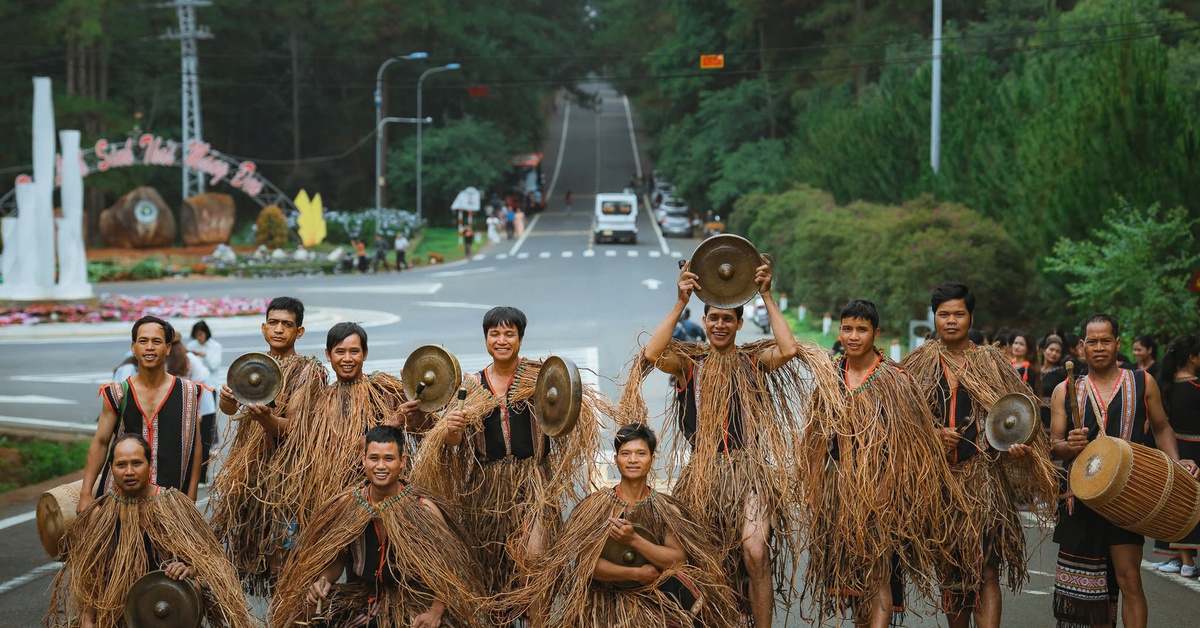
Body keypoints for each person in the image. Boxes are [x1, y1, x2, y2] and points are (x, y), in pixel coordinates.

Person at [624, 257, 842, 626]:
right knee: (708, 560)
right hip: (703, 475)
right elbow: (652, 354)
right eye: (713, 318)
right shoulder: (690, 365)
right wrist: (680, 302)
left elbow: (788, 350)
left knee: (755, 551)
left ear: (740, 324)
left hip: (749, 472)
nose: (720, 325)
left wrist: (767, 295)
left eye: (728, 319)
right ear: (705, 321)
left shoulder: (754, 361)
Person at [408, 306, 601, 614]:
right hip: (487, 487)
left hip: (534, 482)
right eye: (494, 334)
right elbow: (454, 442)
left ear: (520, 339)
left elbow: (566, 416)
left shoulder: (540, 377)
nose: (501, 340)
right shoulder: (469, 386)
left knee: (535, 559)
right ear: (485, 339)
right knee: (493, 570)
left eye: (509, 334)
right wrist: (452, 431)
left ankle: (537, 619)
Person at [899, 282, 1058, 628]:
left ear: (971, 316)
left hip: (984, 483)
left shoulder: (994, 364)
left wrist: (1020, 448)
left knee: (986, 569)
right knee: (951, 573)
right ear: (935, 317)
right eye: (944, 314)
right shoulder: (914, 366)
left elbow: (1022, 419)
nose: (951, 321)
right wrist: (930, 436)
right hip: (939, 486)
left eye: (959, 314)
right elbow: (899, 426)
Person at [802, 300, 968, 628]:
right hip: (838, 490)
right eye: (847, 328)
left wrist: (895, 492)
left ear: (875, 333)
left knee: (878, 576)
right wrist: (814, 487)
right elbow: (815, 440)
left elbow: (912, 441)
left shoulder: (895, 378)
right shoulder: (830, 376)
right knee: (852, 585)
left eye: (861, 329)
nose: (853, 336)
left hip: (881, 491)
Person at [507, 423, 739, 627]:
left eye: (641, 453)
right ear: (615, 459)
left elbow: (677, 560)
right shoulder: (597, 506)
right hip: (605, 603)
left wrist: (633, 540)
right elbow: (587, 564)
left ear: (652, 459)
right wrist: (635, 573)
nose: (633, 460)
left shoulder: (666, 510)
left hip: (654, 601)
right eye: (625, 453)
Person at [1049, 316, 1199, 628]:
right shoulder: (1066, 389)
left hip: (1129, 497)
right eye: (1092, 341)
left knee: (1130, 579)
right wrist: (1068, 445)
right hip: (1081, 498)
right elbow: (1054, 445)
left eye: (1106, 340)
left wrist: (1177, 463)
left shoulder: (1143, 382)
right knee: (1083, 594)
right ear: (1082, 347)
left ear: (1118, 343)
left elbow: (1161, 428)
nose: (1099, 347)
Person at [270, 426, 487, 627]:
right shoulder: (347, 505)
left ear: (403, 462)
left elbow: (448, 566)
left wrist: (435, 613)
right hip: (360, 599)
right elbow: (337, 559)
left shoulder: (422, 508)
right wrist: (322, 582)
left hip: (411, 602)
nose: (380, 466)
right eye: (374, 458)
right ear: (363, 460)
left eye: (389, 459)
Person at [48, 435, 254, 628]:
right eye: (121, 465)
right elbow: (92, 575)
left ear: (149, 466)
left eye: (136, 463)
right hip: (122, 607)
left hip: (170, 602)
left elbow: (209, 560)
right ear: (111, 468)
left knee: (194, 587)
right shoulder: (102, 514)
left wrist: (189, 570)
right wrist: (88, 620)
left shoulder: (174, 505)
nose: (129, 471)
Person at [210, 296, 328, 595]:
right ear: (263, 328)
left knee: (288, 560)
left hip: (289, 481)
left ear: (299, 332)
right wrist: (225, 402)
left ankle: (292, 614)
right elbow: (231, 410)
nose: (279, 330)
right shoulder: (252, 366)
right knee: (267, 559)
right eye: (273, 323)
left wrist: (267, 421)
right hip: (253, 478)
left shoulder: (307, 372)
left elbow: (298, 430)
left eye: (287, 324)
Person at [274, 322, 423, 532]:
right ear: (328, 355)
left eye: (354, 351)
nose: (347, 359)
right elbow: (335, 450)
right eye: (339, 352)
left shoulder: (384, 390)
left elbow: (423, 428)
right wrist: (392, 422)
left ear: (365, 353)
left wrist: (418, 402)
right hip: (334, 501)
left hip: (385, 498)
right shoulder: (320, 401)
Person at [79, 316, 207, 513]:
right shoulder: (116, 393)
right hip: (119, 503)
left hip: (171, 502)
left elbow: (194, 446)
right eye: (143, 341)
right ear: (133, 347)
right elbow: (101, 442)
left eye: (156, 341)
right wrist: (85, 494)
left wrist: (191, 497)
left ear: (168, 348)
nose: (149, 347)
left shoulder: (189, 392)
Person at [1160, 335, 1200, 578]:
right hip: (1196, 452)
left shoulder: (1166, 385)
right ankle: (1186, 561)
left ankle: (1184, 560)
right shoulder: (1196, 387)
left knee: (1181, 505)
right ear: (1193, 357)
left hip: (1174, 450)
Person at [167, 330, 217, 483]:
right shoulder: (190, 358)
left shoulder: (166, 360)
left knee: (182, 444)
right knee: (202, 444)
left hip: (188, 407)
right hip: (203, 406)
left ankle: (184, 478)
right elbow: (203, 380)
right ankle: (201, 479)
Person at [1010, 330, 1041, 397]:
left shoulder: (1029, 369)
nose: (1017, 347)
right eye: (1015, 343)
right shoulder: (1008, 364)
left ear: (1029, 348)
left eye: (1021, 344)